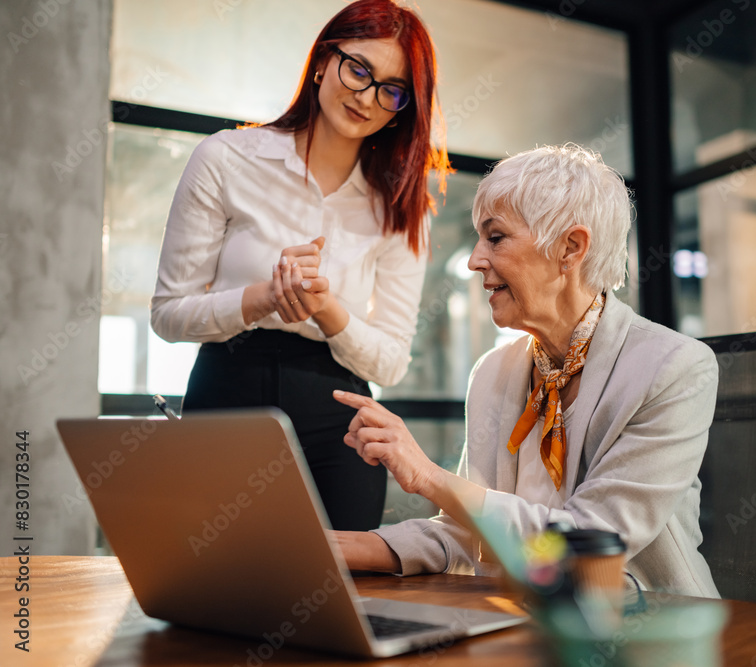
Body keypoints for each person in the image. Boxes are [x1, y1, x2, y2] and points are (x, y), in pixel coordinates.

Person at [330, 144, 720, 596]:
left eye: (495, 238)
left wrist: (431, 478)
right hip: (519, 616)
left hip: (646, 630)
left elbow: (591, 544)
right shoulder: (494, 371)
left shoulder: (673, 369)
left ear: (570, 248)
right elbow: (471, 530)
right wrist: (341, 547)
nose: (476, 259)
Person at [150, 0, 448, 531]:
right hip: (227, 396)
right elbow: (169, 315)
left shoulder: (401, 210)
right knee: (215, 587)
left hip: (343, 422)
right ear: (321, 61)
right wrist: (264, 297)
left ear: (403, 107)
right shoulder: (226, 159)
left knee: (339, 598)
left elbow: (390, 363)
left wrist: (328, 309)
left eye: (390, 89)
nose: (366, 96)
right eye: (358, 68)